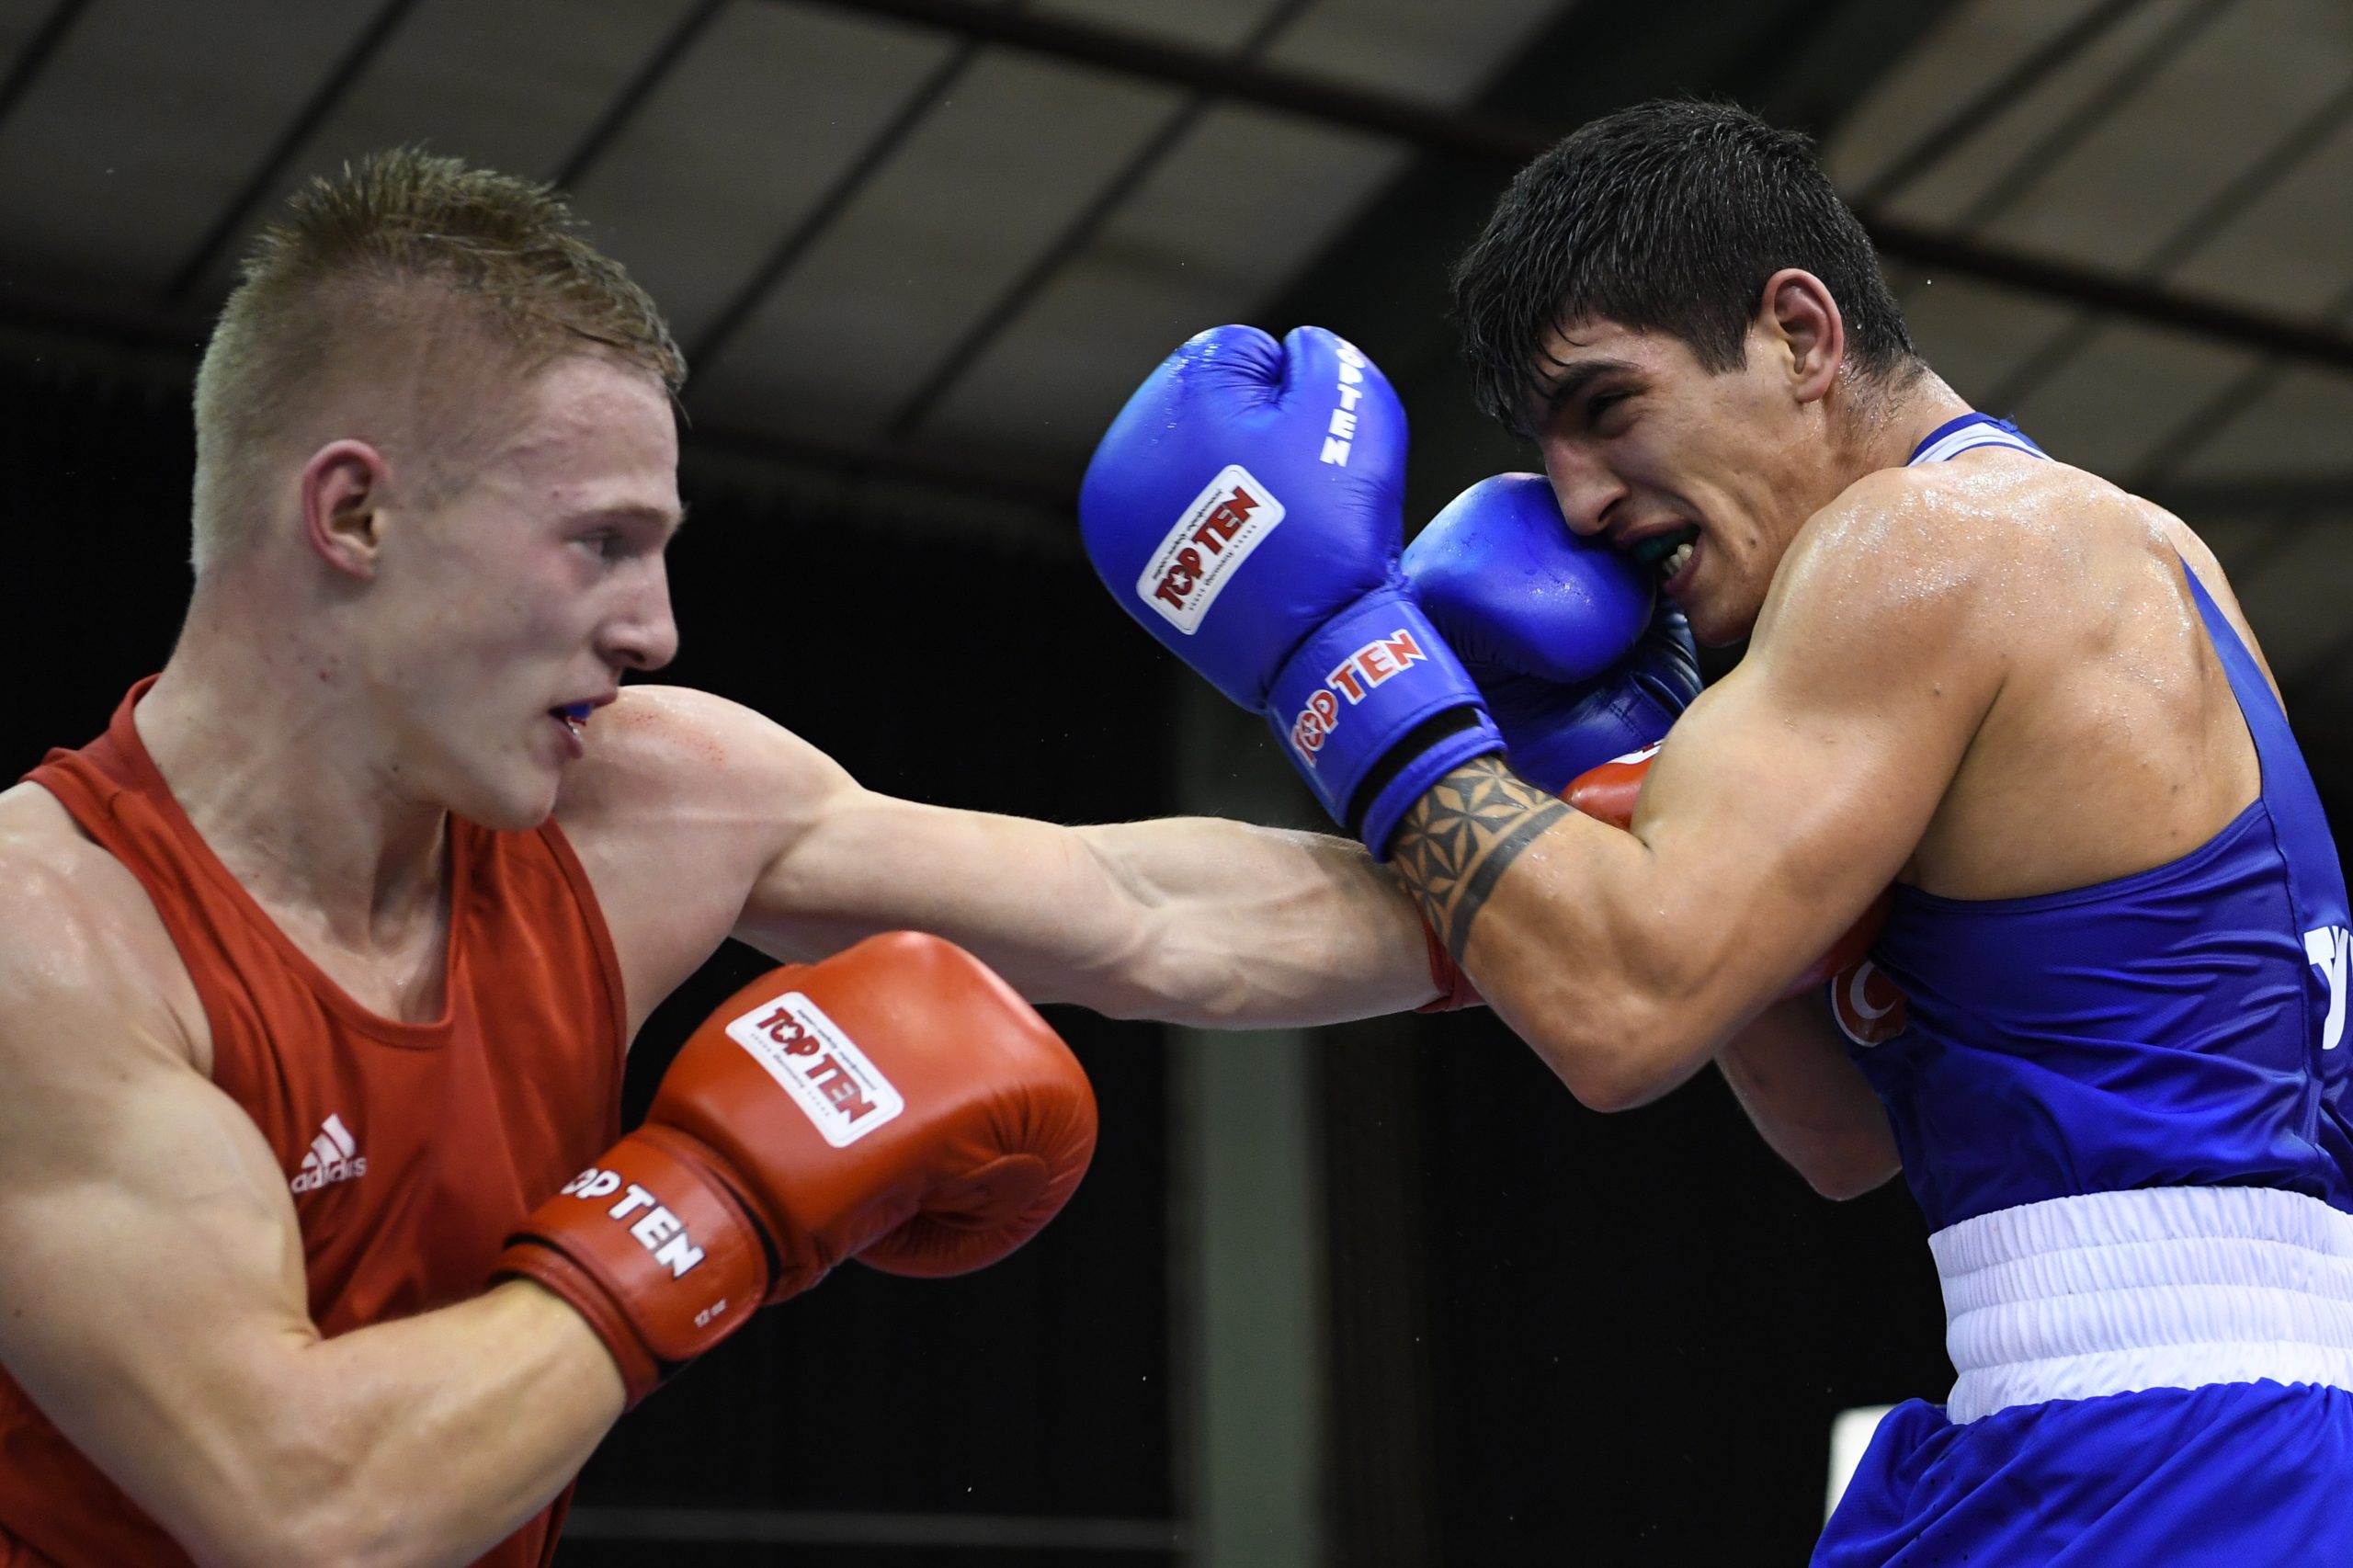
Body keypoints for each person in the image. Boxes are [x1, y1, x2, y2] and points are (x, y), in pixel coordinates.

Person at [0, 150, 1684, 1568]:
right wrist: (703, 1205)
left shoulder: (641, 801)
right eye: (599, 544)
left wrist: (1567, 861)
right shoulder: (56, 940)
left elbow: (1151, 914)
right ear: (353, 514)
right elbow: (303, 1508)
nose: (652, 628)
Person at [1079, 100, 2353, 1563]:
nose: (1579, 501)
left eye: (1609, 407)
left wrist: (1336, 659)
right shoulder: (2130, 549)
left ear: (1803, 336)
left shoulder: (1924, 547)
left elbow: (1621, 1008)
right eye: (1547, 447)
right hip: (2179, 1431)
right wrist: (1642, 760)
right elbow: (1841, 1138)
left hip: (2155, 1453)